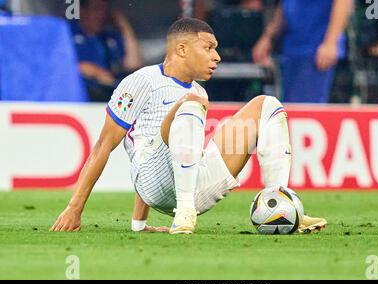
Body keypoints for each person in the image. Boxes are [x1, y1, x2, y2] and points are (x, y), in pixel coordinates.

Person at [50, 18, 326, 234]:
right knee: (189, 105)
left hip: (195, 188)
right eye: (208, 48)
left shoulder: (198, 92)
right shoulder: (141, 82)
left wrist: (139, 225)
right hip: (152, 184)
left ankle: (282, 205)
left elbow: (175, 148)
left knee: (267, 104)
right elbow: (105, 146)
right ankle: (183, 214)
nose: (216, 56)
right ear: (181, 49)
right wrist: (74, 207)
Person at [253, 0, 353, 103]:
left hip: (316, 50)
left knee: (306, 107)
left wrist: (330, 42)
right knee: (290, 106)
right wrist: (269, 37)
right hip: (292, 48)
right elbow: (286, 4)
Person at [71, 0, 143, 102]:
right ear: (83, 11)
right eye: (96, 9)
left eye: (104, 10)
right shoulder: (69, 33)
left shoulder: (109, 37)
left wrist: (124, 26)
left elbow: (133, 64)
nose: (101, 15)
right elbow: (61, 66)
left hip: (111, 94)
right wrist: (96, 72)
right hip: (82, 96)